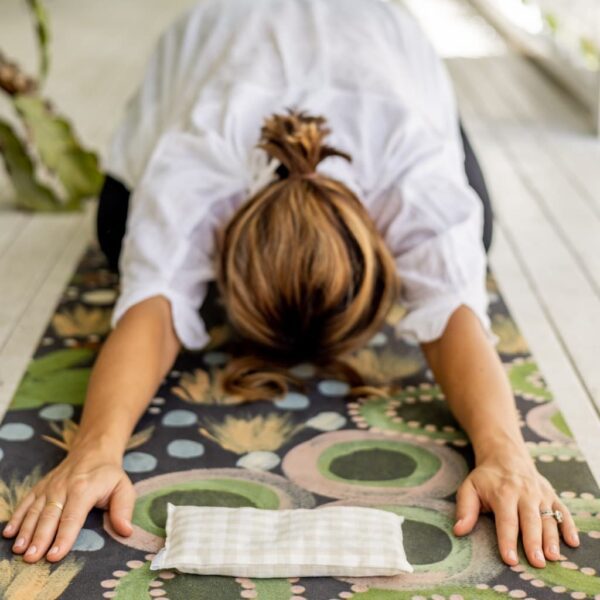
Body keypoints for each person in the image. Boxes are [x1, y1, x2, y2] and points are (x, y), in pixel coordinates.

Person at [2, 0, 579, 570]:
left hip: (377, 38)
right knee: (118, 237)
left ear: (382, 245)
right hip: (223, 34)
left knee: (470, 245)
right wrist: (94, 451)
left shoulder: (413, 168)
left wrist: (506, 455)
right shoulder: (200, 159)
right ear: (225, 245)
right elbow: (151, 312)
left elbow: (453, 311)